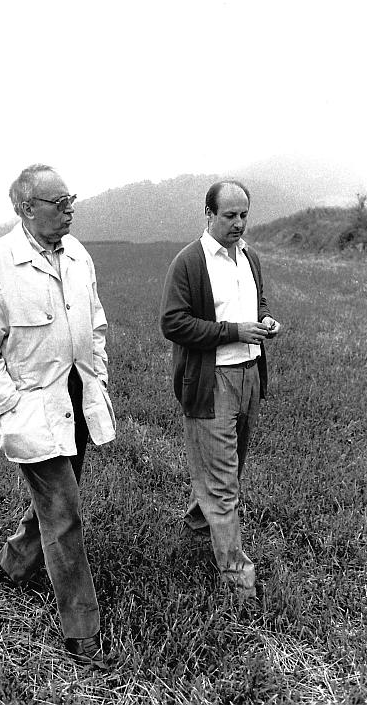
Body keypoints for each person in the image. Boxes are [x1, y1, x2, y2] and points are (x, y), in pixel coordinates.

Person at [0, 164, 115, 667]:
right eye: (58, 202)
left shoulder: (78, 255)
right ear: (27, 209)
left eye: (71, 199)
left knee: (55, 503)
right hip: (33, 405)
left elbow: (94, 323)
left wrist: (99, 375)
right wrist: (12, 405)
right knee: (65, 512)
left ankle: (12, 563)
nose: (70, 209)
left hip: (77, 399)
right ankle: (82, 628)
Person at [160, 179, 281, 596]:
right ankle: (237, 579)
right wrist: (233, 331)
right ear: (208, 214)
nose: (239, 223)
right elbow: (173, 323)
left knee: (230, 468)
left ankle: (198, 519)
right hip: (212, 383)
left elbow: (257, 304)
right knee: (225, 482)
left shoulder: (250, 258)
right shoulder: (190, 262)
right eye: (230, 215)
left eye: (244, 214)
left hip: (249, 376)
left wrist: (265, 322)